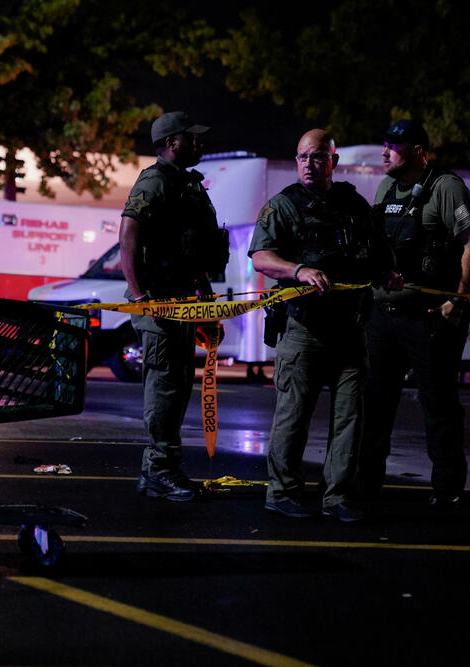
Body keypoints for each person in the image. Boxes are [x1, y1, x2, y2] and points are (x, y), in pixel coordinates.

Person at [248, 129, 396, 522]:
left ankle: (338, 497)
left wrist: (387, 274)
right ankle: (282, 491)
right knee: (293, 416)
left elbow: (379, 252)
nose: (308, 165)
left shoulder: (353, 205)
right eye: (301, 158)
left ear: (334, 160)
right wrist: (298, 270)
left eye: (316, 157)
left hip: (350, 329)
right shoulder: (284, 206)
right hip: (305, 329)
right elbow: (261, 257)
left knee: (349, 418)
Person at [359, 119, 470, 510]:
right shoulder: (386, 188)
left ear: (417, 150)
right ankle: (366, 486)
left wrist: (458, 300)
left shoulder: (445, 187)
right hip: (384, 315)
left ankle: (447, 490)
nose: (384, 152)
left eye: (393, 146)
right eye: (384, 144)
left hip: (429, 317)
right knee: (375, 404)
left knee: (439, 405)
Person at [120, 111, 229, 502]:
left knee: (179, 385)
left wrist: (205, 297)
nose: (199, 143)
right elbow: (129, 233)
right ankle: (158, 470)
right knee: (165, 386)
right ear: (170, 143)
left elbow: (193, 248)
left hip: (182, 302)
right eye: (191, 137)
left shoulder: (186, 184)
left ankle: (166, 466)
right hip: (160, 305)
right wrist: (138, 296)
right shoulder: (156, 181)